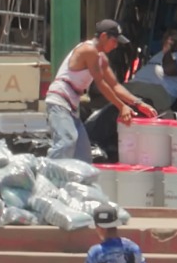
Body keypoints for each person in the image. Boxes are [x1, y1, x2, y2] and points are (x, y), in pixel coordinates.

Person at [45, 20, 157, 161]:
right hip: (59, 102)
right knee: (66, 143)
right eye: (114, 41)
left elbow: (115, 86)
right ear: (104, 36)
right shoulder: (88, 50)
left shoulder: (101, 59)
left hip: (71, 107)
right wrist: (122, 106)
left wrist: (138, 103)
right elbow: (101, 84)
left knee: (83, 155)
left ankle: (81, 182)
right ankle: (45, 176)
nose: (116, 46)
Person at [124, 30, 177, 115]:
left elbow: (168, 69)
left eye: (171, 34)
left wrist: (167, 49)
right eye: (166, 33)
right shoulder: (160, 53)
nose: (166, 36)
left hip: (157, 91)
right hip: (133, 85)